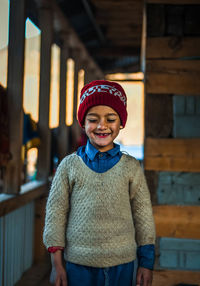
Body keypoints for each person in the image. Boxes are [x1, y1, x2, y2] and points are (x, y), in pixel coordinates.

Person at [43, 80, 156, 286]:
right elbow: (55, 214)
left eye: (110, 119)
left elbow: (143, 216)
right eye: (93, 119)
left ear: (121, 122)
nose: (102, 126)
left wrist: (146, 263)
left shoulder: (131, 167)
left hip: (123, 264)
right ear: (83, 123)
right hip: (78, 265)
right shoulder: (69, 166)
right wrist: (56, 265)